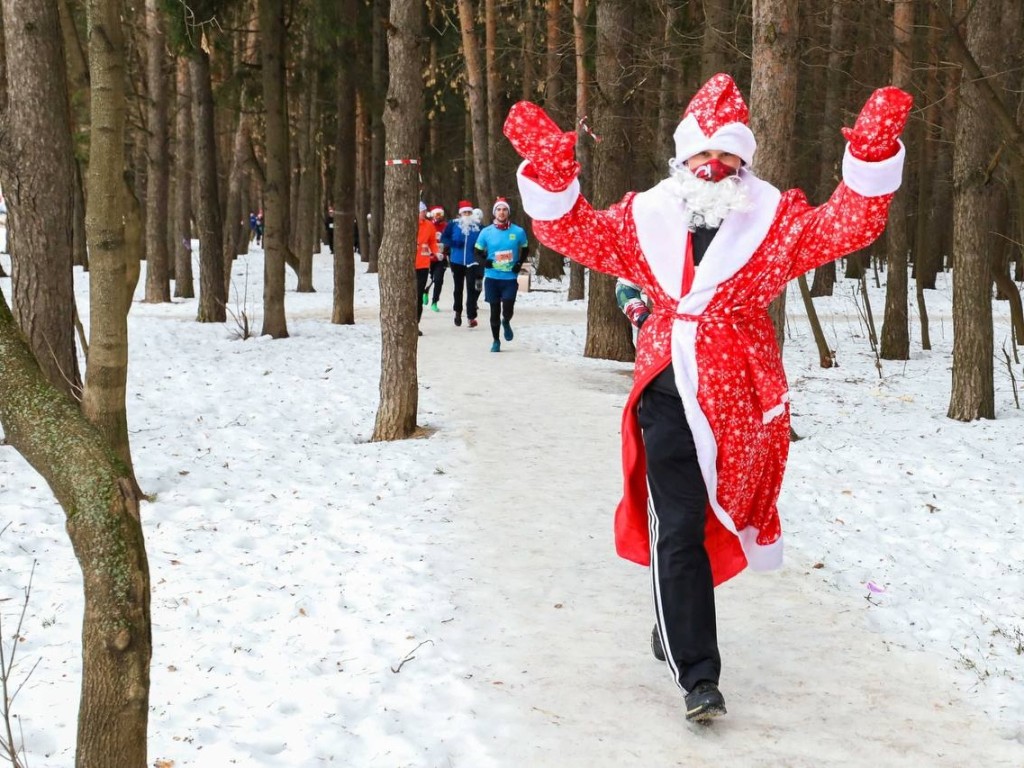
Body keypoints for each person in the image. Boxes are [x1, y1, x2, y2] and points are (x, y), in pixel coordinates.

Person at [504, 73, 911, 721]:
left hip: (740, 403)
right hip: (666, 389)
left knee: (711, 519)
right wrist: (551, 179)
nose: (715, 165)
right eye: (703, 153)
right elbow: (572, 233)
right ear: (681, 157)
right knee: (679, 524)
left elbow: (848, 226)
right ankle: (699, 675)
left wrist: (869, 159)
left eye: (729, 155)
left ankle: (672, 626)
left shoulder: (776, 220)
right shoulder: (643, 216)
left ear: (745, 160)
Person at [474, 197, 529, 352]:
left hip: (510, 277)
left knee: (508, 307)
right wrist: (485, 262)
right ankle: (496, 341)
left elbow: (525, 248)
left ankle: (506, 321)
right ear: (494, 212)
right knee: (494, 310)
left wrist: (519, 263)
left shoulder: (518, 231)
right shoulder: (486, 232)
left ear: (508, 212)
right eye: (499, 209)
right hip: (492, 277)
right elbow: (477, 252)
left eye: (504, 209)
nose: (502, 212)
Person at [440, 200, 483, 327]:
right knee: (458, 288)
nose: (467, 214)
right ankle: (457, 312)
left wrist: (481, 252)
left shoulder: (478, 227)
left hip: (472, 262)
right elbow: (444, 238)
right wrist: (453, 244)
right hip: (456, 261)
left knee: (472, 289)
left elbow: (486, 240)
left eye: (469, 212)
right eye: (465, 212)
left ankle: (471, 317)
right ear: (460, 214)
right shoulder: (453, 225)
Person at [415, 201, 439, 335]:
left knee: (418, 295)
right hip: (408, 265)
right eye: (422, 211)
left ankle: (415, 323)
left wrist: (436, 252)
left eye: (424, 211)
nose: (424, 214)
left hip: (423, 265)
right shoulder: (408, 224)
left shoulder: (429, 225)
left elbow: (432, 242)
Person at [426, 206, 448, 311]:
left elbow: (449, 238)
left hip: (441, 257)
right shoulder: (428, 225)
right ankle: (425, 291)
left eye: (440, 214)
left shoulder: (446, 226)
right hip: (428, 257)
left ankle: (434, 302)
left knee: (438, 280)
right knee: (428, 279)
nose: (438, 217)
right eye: (436, 214)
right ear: (432, 215)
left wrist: (447, 246)